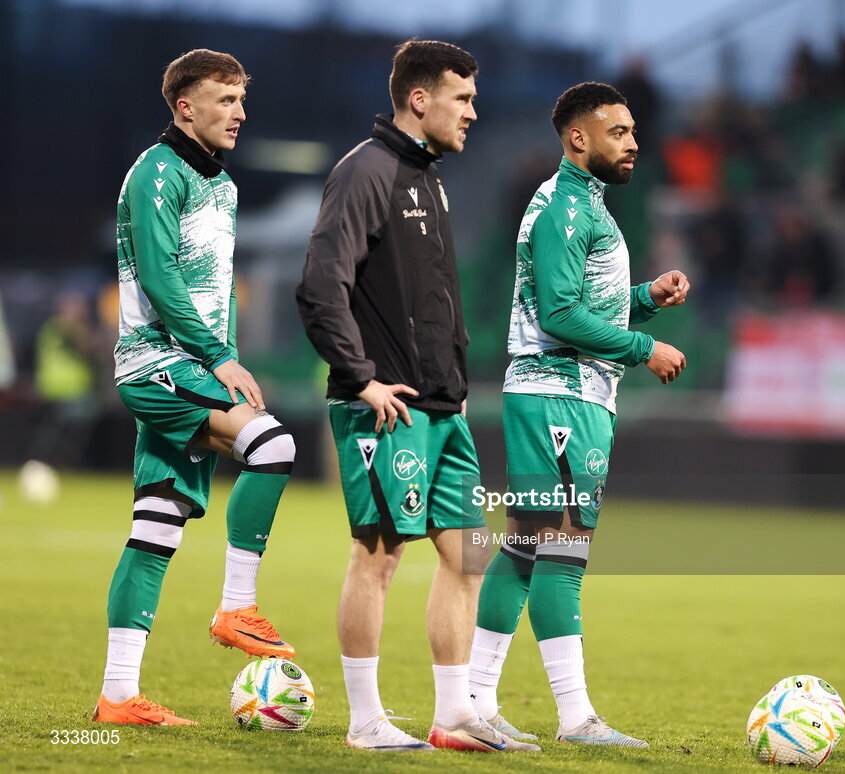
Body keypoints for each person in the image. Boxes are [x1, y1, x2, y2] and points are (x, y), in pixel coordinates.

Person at [296, 39, 538, 753]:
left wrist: (455, 389)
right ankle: (366, 721)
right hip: (387, 406)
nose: (473, 111)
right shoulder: (364, 172)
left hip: (441, 407)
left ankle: (453, 714)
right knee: (377, 556)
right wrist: (361, 376)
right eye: (462, 98)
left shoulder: (426, 177)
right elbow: (320, 285)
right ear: (419, 99)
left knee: (469, 554)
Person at [468, 82, 689, 747]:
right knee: (555, 545)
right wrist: (645, 347)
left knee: (535, 545)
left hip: (574, 394)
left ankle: (482, 700)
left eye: (631, 131)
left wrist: (644, 296)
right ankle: (570, 717)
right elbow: (561, 317)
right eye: (618, 131)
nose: (633, 142)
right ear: (578, 138)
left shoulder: (584, 206)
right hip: (556, 393)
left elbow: (583, 303)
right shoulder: (566, 206)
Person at [94, 49, 297, 726]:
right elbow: (160, 277)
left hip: (193, 367)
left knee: (154, 529)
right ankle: (237, 606)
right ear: (185, 106)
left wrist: (227, 353)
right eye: (225, 100)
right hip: (157, 363)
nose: (240, 112)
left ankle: (117, 697)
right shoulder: (157, 172)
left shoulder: (224, 187)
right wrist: (217, 358)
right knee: (273, 447)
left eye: (243, 99)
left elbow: (218, 295)